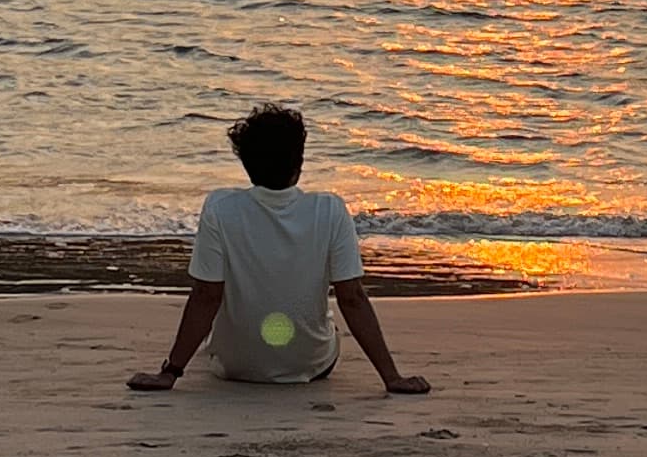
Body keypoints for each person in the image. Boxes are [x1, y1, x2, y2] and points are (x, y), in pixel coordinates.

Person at [128, 101, 431, 397]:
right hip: (312, 364)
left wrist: (170, 372)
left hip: (235, 365)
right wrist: (392, 377)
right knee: (329, 327)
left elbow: (206, 296)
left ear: (246, 165)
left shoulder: (220, 208)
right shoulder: (330, 209)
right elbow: (351, 298)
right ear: (298, 164)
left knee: (218, 329)